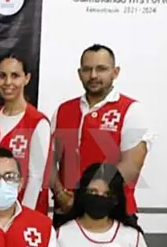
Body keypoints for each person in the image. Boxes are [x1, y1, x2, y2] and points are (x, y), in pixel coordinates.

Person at [51, 44, 155, 217]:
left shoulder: (131, 110)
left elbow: (131, 165)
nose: (93, 75)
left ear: (115, 72)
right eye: (87, 69)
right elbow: (49, 161)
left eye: (101, 69)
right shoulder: (63, 110)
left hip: (113, 213)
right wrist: (61, 195)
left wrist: (92, 200)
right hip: (67, 210)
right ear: (79, 73)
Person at [0, 54, 51, 214]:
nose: (8, 83)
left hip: (23, 211)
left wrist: (23, 216)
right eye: (2, 76)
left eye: (15, 76)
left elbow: (36, 178)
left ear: (27, 78)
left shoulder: (38, 122)